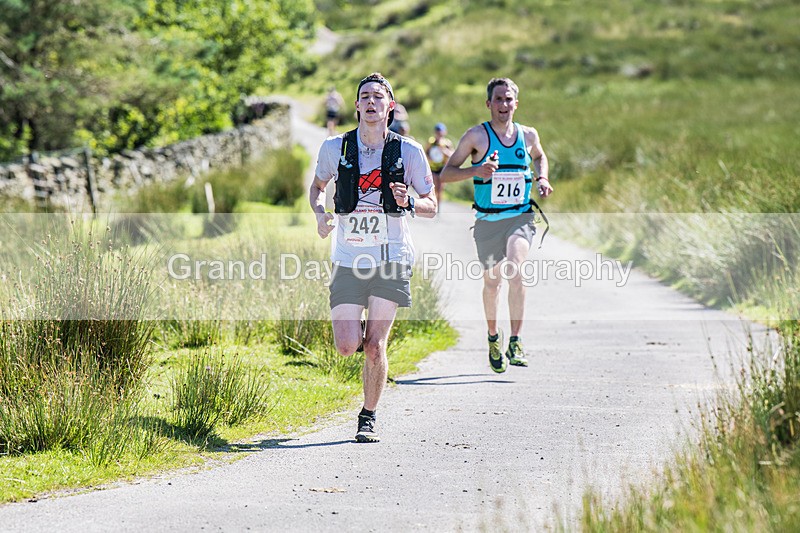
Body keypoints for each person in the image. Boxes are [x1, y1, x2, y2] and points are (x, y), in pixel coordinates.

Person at [309, 73, 437, 442]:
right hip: (348, 257)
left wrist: (409, 201)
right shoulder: (335, 147)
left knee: (375, 344)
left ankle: (368, 415)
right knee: (348, 345)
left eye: (378, 97)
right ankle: (362, 333)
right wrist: (320, 213)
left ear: (389, 107)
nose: (370, 102)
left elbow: (432, 204)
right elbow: (317, 188)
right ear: (355, 106)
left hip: (391, 257)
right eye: (364, 96)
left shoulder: (408, 151)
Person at [440, 77, 553, 373]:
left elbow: (540, 157)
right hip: (487, 222)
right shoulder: (476, 136)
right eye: (498, 100)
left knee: (516, 270)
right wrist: (476, 170)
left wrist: (542, 178)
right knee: (492, 283)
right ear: (488, 104)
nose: (504, 105)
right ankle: (493, 336)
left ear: (517, 103)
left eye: (508, 99)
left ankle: (515, 340)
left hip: (520, 217)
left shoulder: (528, 135)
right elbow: (446, 174)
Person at [425, 123, 454, 209]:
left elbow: (452, 154)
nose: (439, 134)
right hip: (432, 168)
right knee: (433, 187)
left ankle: (438, 207)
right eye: (438, 132)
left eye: (440, 132)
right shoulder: (431, 142)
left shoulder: (447, 143)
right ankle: (432, 205)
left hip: (443, 168)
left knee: (440, 189)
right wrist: (429, 158)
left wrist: (444, 151)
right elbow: (425, 152)